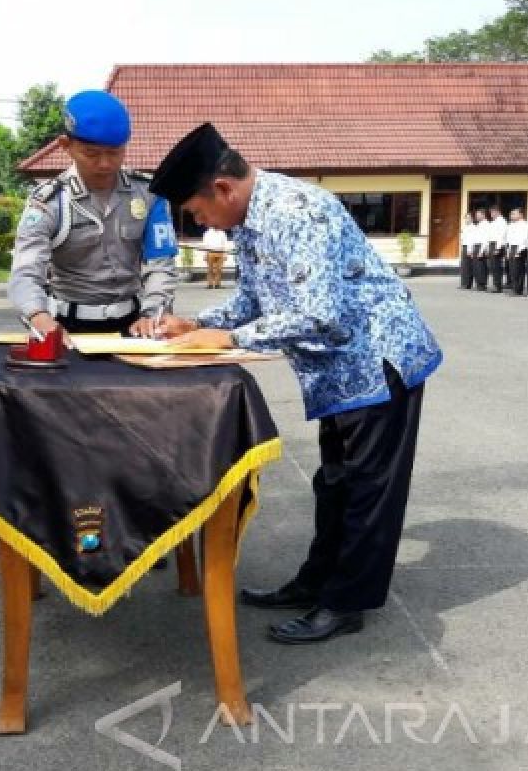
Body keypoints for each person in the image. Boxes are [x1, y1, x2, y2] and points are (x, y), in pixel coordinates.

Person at [149, 124, 443, 645]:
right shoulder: (251, 221)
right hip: (338, 368)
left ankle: (345, 601)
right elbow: (256, 300)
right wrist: (197, 325)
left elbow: (317, 313)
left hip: (376, 360)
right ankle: (315, 582)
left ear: (222, 189)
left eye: (196, 213)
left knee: (367, 489)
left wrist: (231, 338)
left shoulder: (296, 212)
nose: (199, 223)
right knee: (334, 482)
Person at [8, 90, 177, 337]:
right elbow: (26, 271)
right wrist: (39, 316)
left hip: (134, 324)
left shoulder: (150, 194)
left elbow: (161, 263)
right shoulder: (48, 202)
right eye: (92, 153)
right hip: (67, 327)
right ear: (66, 146)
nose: (105, 164)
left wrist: (152, 314)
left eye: (115, 152)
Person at [505, 207, 528, 296]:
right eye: (511, 214)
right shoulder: (511, 225)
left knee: (518, 269)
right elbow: (509, 238)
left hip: (520, 248)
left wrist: (519, 251)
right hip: (512, 247)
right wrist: (508, 251)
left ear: (521, 215)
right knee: (512, 269)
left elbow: (524, 238)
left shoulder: (524, 225)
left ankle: (518, 289)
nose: (512, 216)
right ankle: (514, 288)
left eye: (514, 214)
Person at [486, 204, 508, 293]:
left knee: (496, 267)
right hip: (492, 244)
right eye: (491, 212)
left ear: (498, 212)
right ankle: (495, 284)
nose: (491, 214)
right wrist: (488, 248)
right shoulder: (494, 222)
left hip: (497, 245)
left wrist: (498, 248)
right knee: (493, 267)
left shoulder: (502, 221)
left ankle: (498, 286)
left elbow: (501, 236)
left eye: (493, 212)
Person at [472, 207, 491, 291]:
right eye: (476, 215)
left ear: (483, 215)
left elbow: (485, 238)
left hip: (481, 246)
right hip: (476, 245)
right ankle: (478, 283)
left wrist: (482, 250)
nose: (476, 216)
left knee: (481, 267)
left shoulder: (486, 224)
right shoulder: (479, 224)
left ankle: (482, 284)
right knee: (476, 266)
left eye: (478, 215)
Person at [458, 210, 477, 290]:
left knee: (468, 267)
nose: (467, 220)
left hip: (469, 248)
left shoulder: (473, 228)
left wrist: (470, 250)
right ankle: (463, 283)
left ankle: (468, 284)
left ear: (472, 219)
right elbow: (462, 239)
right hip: (464, 247)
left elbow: (472, 240)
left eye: (468, 218)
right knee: (464, 267)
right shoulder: (465, 227)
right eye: (465, 218)